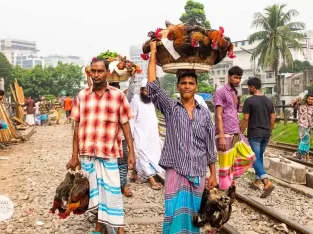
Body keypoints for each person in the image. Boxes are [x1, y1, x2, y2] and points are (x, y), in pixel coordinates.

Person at [147, 41, 217, 234]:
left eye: (190, 83)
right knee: (173, 211)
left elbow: (210, 145)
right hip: (176, 169)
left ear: (196, 86)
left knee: (194, 214)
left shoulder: (204, 113)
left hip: (197, 171)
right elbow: (153, 87)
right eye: (183, 83)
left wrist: (213, 173)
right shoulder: (170, 108)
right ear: (178, 86)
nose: (187, 86)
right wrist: (153, 54)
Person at [67, 57, 135, 234]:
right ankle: (98, 227)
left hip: (109, 153)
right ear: (90, 72)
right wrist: (74, 155)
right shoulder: (82, 96)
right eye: (93, 71)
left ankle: (119, 229)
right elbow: (76, 126)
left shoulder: (118, 96)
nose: (96, 74)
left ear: (107, 73)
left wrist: (132, 153)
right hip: (87, 153)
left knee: (112, 193)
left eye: (100, 71)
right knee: (94, 193)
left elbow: (125, 125)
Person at [213, 66, 255, 191]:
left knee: (249, 156)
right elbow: (218, 115)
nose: (237, 80)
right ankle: (223, 193)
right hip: (224, 133)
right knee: (225, 165)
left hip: (236, 131)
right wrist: (220, 136)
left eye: (239, 78)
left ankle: (230, 177)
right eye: (235, 77)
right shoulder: (220, 91)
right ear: (229, 77)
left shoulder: (235, 92)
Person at [241, 78, 276, 198]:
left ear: (252, 87)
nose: (248, 89)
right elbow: (273, 119)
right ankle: (256, 181)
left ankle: (266, 181)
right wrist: (269, 132)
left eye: (249, 87)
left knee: (253, 158)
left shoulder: (249, 101)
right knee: (259, 156)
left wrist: (240, 132)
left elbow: (245, 118)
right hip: (266, 133)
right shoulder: (268, 100)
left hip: (255, 133)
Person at [129, 78, 164, 190]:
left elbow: (154, 116)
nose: (148, 93)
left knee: (153, 154)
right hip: (140, 132)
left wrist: (158, 129)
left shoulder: (152, 100)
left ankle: (134, 174)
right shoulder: (135, 100)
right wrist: (131, 134)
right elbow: (132, 118)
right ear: (141, 90)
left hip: (152, 133)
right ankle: (151, 179)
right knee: (143, 154)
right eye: (146, 90)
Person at [109, 81, 133, 197]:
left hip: (121, 138)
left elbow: (131, 92)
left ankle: (123, 185)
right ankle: (112, 187)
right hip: (107, 140)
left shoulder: (122, 99)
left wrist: (132, 79)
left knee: (123, 163)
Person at [291, 93, 313, 161]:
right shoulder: (301, 105)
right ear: (307, 99)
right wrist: (296, 100)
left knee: (306, 141)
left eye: (312, 99)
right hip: (302, 125)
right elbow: (292, 105)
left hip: (310, 126)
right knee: (303, 140)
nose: (310, 100)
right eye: (309, 99)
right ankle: (306, 156)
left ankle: (300, 154)